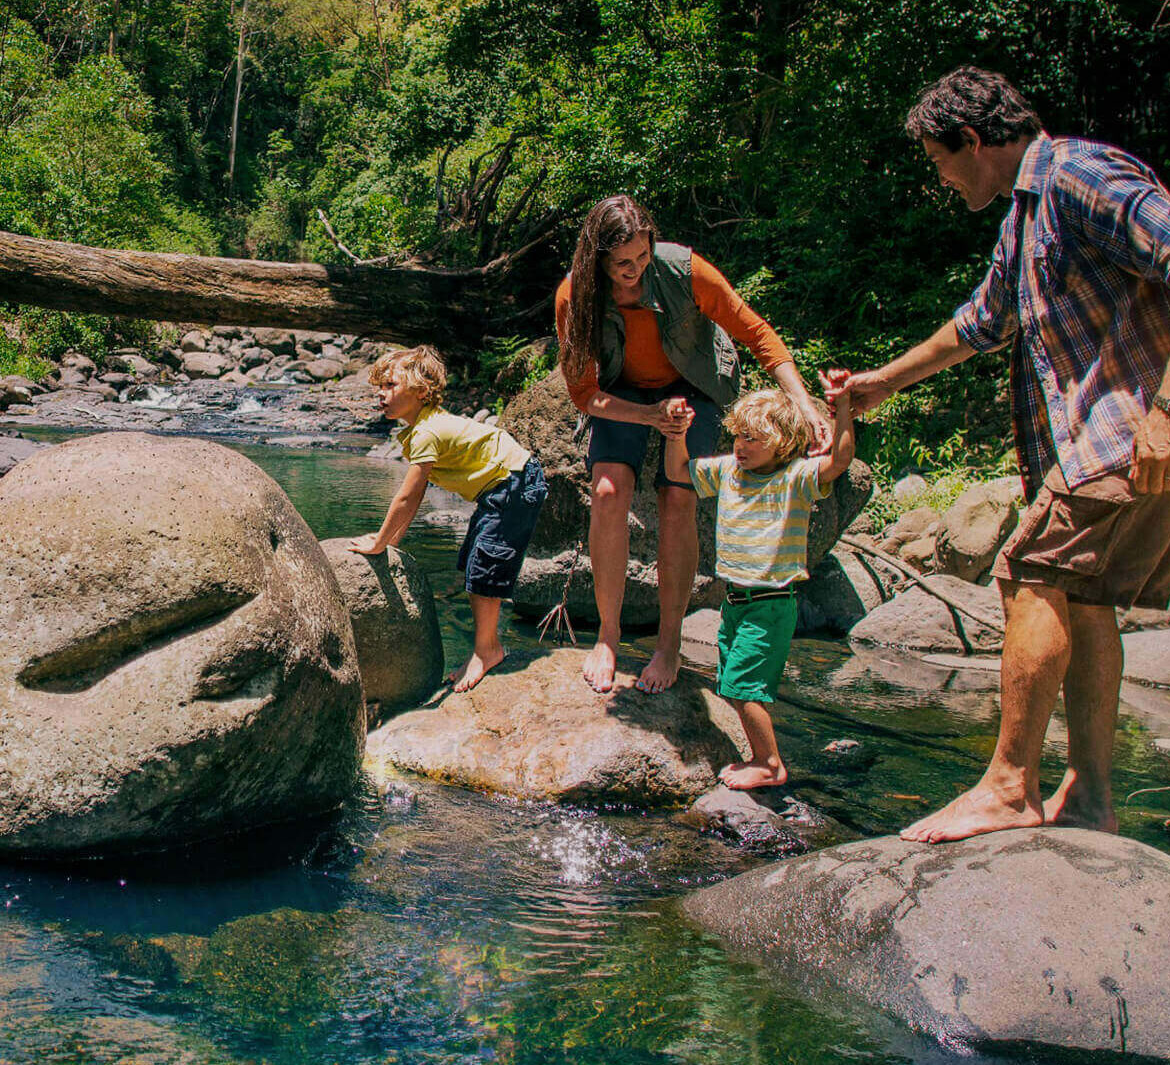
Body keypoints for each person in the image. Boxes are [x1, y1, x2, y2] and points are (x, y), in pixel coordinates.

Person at [838, 66, 1170, 844]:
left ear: (972, 139)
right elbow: (980, 323)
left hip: (1149, 414)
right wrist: (882, 383)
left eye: (939, 160)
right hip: (1141, 420)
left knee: (1030, 570)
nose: (939, 179)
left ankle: (1009, 787)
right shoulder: (1024, 218)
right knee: (1083, 592)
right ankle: (1090, 796)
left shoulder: (1076, 174)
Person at [555, 195, 833, 696]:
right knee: (608, 492)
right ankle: (608, 636)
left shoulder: (687, 271)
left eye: (643, 257)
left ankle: (669, 644)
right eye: (622, 263)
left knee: (678, 495)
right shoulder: (574, 296)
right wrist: (649, 417)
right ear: (597, 259)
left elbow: (757, 333)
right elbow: (583, 394)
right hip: (623, 392)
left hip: (694, 384)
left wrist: (805, 404)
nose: (635, 271)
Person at [660, 382, 857, 787]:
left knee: (744, 688)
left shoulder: (796, 477)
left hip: (770, 604)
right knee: (732, 684)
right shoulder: (728, 471)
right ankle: (759, 753)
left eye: (752, 438)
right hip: (735, 602)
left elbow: (840, 460)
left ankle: (769, 764)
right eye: (738, 435)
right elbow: (678, 471)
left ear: (781, 443)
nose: (740, 445)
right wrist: (676, 436)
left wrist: (843, 411)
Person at [352, 346, 549, 693]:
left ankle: (488, 651)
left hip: (513, 481)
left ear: (422, 392)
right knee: (474, 562)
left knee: (486, 565)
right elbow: (415, 498)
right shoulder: (422, 427)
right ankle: (484, 647)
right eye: (379, 386)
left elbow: (407, 496)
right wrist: (391, 542)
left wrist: (380, 542)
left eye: (391, 385)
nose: (381, 394)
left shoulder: (427, 432)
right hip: (502, 485)